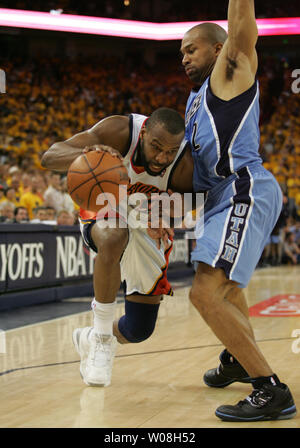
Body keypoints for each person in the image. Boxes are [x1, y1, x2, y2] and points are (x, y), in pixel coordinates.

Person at [180, 1, 297, 421]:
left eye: (191, 49)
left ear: (218, 48)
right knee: (228, 290)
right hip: (220, 197)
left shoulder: (231, 70)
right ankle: (237, 360)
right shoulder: (194, 103)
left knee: (204, 293)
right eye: (181, 53)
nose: (184, 58)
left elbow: (242, 22)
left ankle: (271, 390)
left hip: (243, 186)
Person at [41, 107, 193, 387]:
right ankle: (100, 338)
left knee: (139, 329)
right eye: (156, 147)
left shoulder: (183, 161)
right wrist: (88, 156)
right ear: (144, 133)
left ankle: (89, 337)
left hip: (148, 220)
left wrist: (167, 215)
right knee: (113, 235)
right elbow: (49, 156)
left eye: (169, 152)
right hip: (107, 208)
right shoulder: (119, 131)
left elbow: (190, 200)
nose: (162, 158)